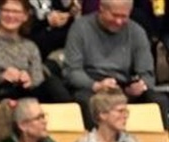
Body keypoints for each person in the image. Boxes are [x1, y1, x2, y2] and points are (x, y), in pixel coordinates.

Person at [63, 0, 169, 128]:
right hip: (91, 86)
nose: (119, 21)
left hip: (124, 87)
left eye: (124, 16)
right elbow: (72, 71)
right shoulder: (80, 28)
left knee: (159, 100)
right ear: (101, 9)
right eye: (114, 15)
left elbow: (147, 74)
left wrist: (139, 86)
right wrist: (96, 85)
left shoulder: (137, 32)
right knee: (86, 100)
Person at [0, 0, 74, 103]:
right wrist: (1, 76)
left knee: (52, 84)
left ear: (25, 16)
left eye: (16, 12)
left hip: (25, 97)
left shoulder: (30, 46)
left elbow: (38, 78)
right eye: (6, 10)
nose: (10, 15)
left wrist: (28, 79)